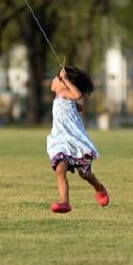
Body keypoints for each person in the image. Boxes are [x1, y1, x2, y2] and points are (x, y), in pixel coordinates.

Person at [47, 66, 109, 213]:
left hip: (75, 142)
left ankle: (99, 189)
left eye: (57, 78)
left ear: (64, 83)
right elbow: (73, 104)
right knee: (60, 169)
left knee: (85, 174)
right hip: (61, 141)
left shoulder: (64, 92)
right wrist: (76, 107)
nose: (53, 80)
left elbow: (77, 94)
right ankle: (65, 202)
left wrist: (66, 80)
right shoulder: (60, 95)